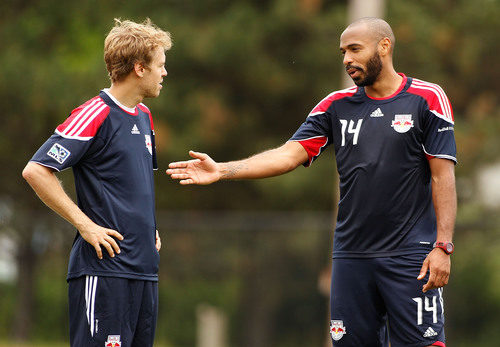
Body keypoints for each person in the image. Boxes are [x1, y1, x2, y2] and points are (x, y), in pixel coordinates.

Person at [167, 17, 456, 347]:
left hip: (410, 257)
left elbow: (442, 175)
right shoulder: (336, 105)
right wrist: (224, 170)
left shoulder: (427, 98)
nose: (347, 58)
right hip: (351, 257)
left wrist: (443, 246)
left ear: (384, 47)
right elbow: (288, 155)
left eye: (355, 49)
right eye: (343, 51)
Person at [22, 18, 171, 347]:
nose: (164, 73)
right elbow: (36, 170)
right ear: (139, 68)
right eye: (160, 65)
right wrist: (85, 224)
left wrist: (149, 227)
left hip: (144, 272)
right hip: (104, 272)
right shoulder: (95, 112)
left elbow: (132, 185)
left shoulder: (145, 118)